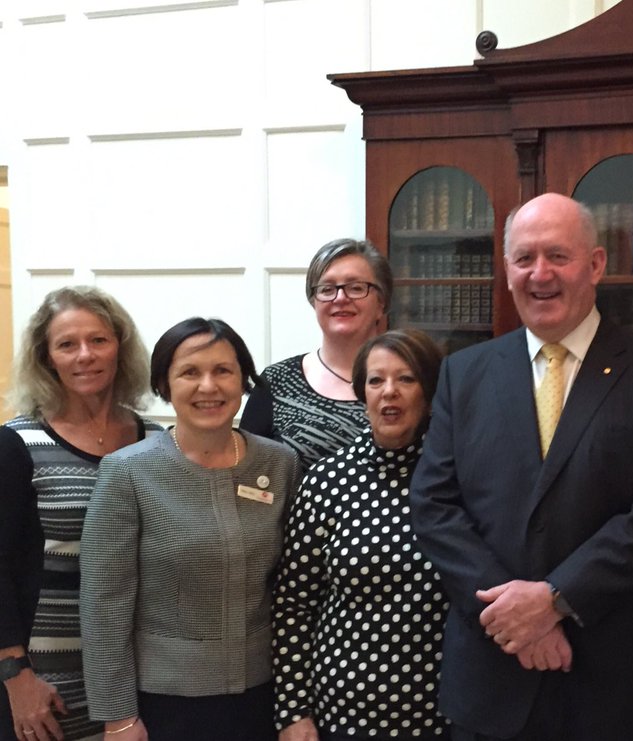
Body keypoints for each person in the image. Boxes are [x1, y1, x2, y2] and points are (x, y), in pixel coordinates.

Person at [409, 193, 633, 741]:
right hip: (492, 679)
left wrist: (555, 598)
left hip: (614, 683)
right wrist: (516, 618)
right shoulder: (463, 373)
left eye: (557, 256)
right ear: (506, 270)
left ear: (595, 264)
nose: (539, 274)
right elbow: (434, 505)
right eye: (524, 259)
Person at [80, 318, 300, 741]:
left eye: (223, 371)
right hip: (165, 703)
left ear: (243, 380)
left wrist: (295, 701)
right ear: (164, 385)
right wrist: (118, 718)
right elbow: (103, 604)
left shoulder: (280, 463)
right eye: (190, 372)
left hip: (264, 695)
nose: (208, 386)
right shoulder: (128, 472)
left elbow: (292, 585)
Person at [0, 287, 160, 741]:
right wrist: (16, 678)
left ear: (120, 347)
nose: (84, 356)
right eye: (67, 344)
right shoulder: (15, 444)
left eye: (98, 340)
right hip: (44, 680)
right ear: (47, 357)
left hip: (135, 674)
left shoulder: (154, 440)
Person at [274, 329, 448, 741]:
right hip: (343, 712)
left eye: (406, 379)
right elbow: (293, 605)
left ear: (428, 392)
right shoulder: (327, 481)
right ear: (361, 393)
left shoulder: (458, 477)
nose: (390, 392)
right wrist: (293, 711)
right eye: (376, 381)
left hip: (445, 712)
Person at [242, 238, 391, 470]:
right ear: (314, 302)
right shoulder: (276, 381)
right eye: (327, 289)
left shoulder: (410, 382)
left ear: (381, 303)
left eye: (356, 287)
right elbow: (244, 472)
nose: (340, 298)